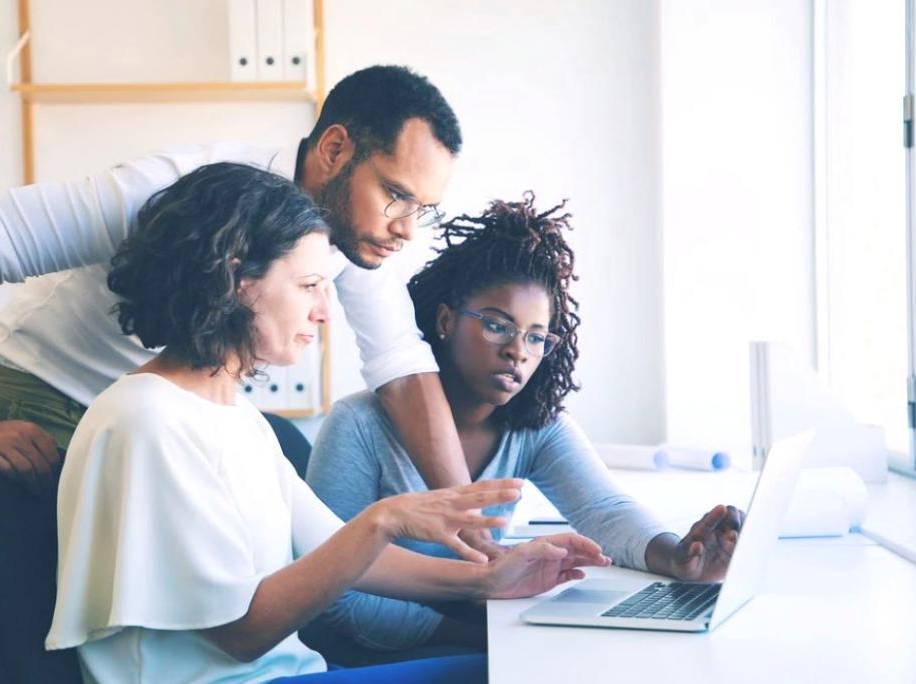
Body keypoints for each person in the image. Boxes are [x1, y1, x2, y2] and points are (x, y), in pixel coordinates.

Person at [45, 162, 610, 683]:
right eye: (309, 285)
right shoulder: (148, 421)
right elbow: (242, 635)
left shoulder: (235, 415)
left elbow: (340, 552)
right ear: (238, 280)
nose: (324, 309)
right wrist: (382, 520)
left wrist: (490, 579)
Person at [0, 65, 501, 557]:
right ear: (334, 150)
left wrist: (472, 529)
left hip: (161, 417)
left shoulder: (356, 234)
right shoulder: (173, 190)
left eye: (421, 208)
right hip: (48, 390)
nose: (406, 228)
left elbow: (401, 365)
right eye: (397, 194)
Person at [304, 194, 746, 659]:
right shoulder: (358, 425)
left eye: (536, 337)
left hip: (477, 638)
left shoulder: (534, 426)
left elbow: (604, 511)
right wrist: (487, 637)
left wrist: (678, 557)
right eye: (497, 326)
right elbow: (335, 596)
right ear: (444, 320)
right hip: (382, 654)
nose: (518, 351)